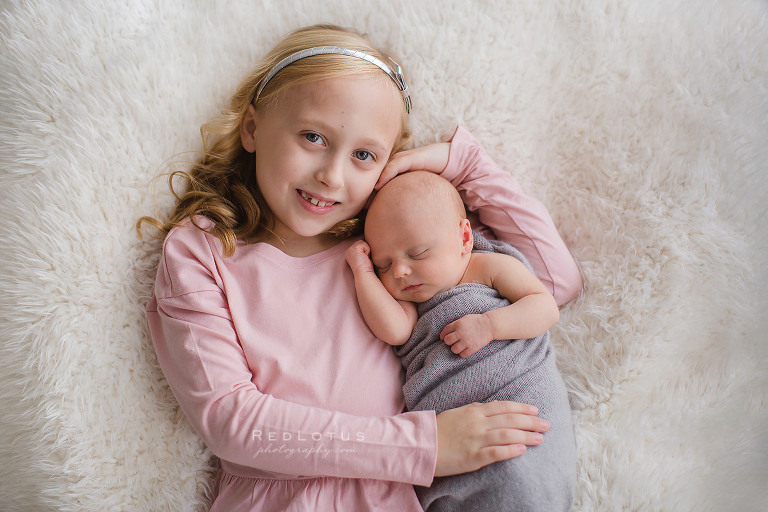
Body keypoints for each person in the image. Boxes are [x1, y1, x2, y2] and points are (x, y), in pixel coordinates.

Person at [139, 23, 582, 512]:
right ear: (252, 127)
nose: (332, 175)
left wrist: (466, 165)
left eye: (364, 155)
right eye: (312, 136)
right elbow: (231, 421)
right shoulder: (203, 250)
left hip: (397, 496)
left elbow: (554, 280)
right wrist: (425, 446)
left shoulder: (390, 245)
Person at [346, 171, 576, 511]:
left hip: (518, 391)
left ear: (464, 237)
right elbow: (394, 331)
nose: (400, 272)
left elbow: (544, 308)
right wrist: (363, 272)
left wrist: (490, 325)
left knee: (520, 474)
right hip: (454, 426)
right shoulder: (411, 302)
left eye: (418, 253)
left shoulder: (487, 267)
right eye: (384, 263)